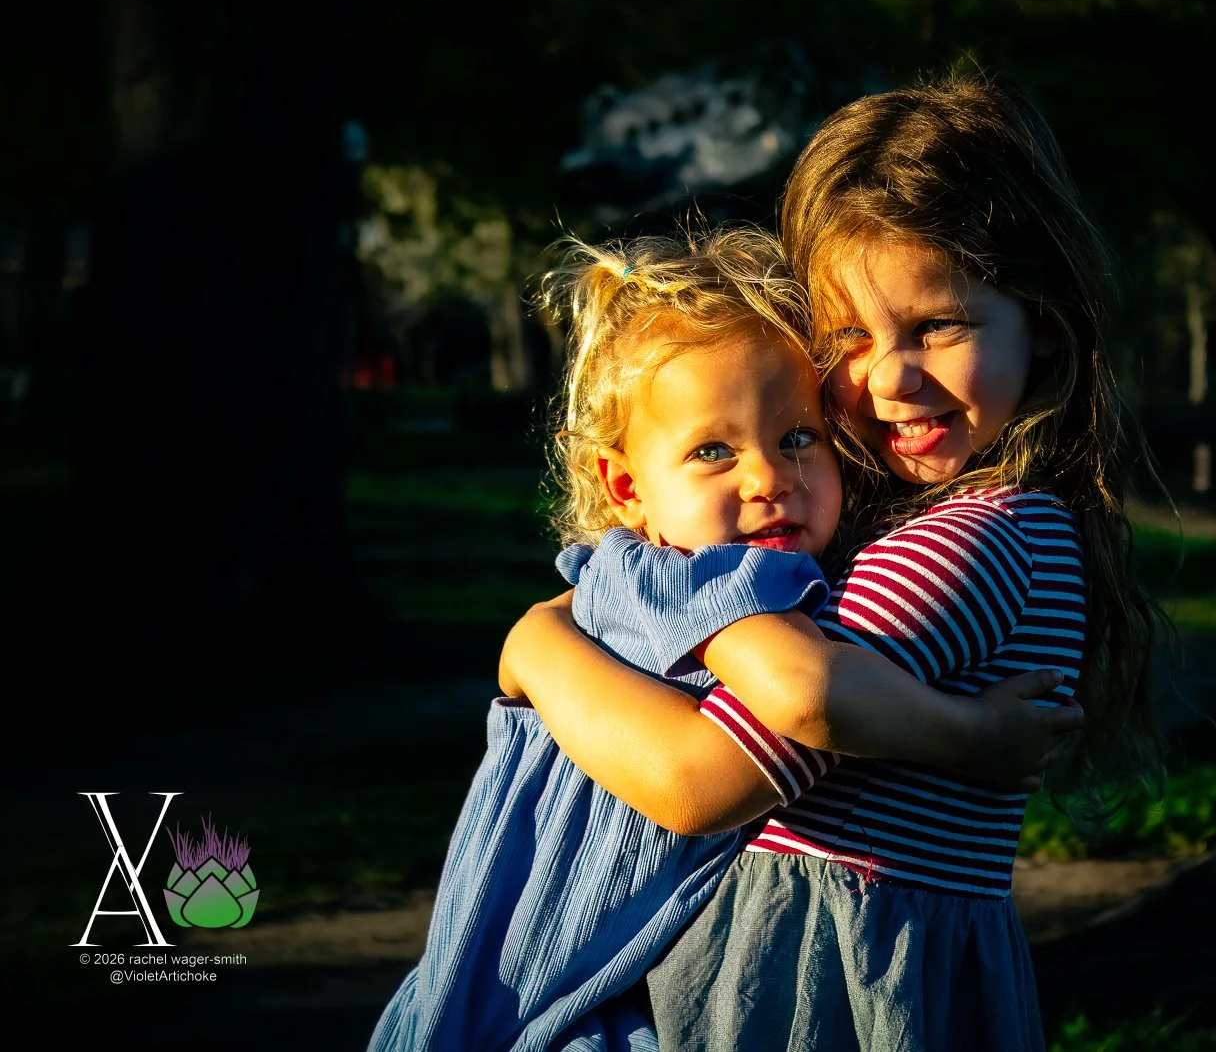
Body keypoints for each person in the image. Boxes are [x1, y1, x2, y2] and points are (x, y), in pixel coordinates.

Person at [502, 71, 1166, 1051]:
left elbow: (699, 779)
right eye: (848, 334)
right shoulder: (918, 520)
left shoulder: (973, 540)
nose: (890, 375)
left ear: (1042, 322)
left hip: (824, 973)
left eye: (937, 324)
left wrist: (542, 637)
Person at [371, 226, 1076, 1052]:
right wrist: (974, 735)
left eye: (798, 438)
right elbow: (806, 691)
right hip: (560, 938)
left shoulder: (653, 569)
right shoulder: (710, 578)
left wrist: (537, 636)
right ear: (627, 486)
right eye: (713, 449)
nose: (768, 477)